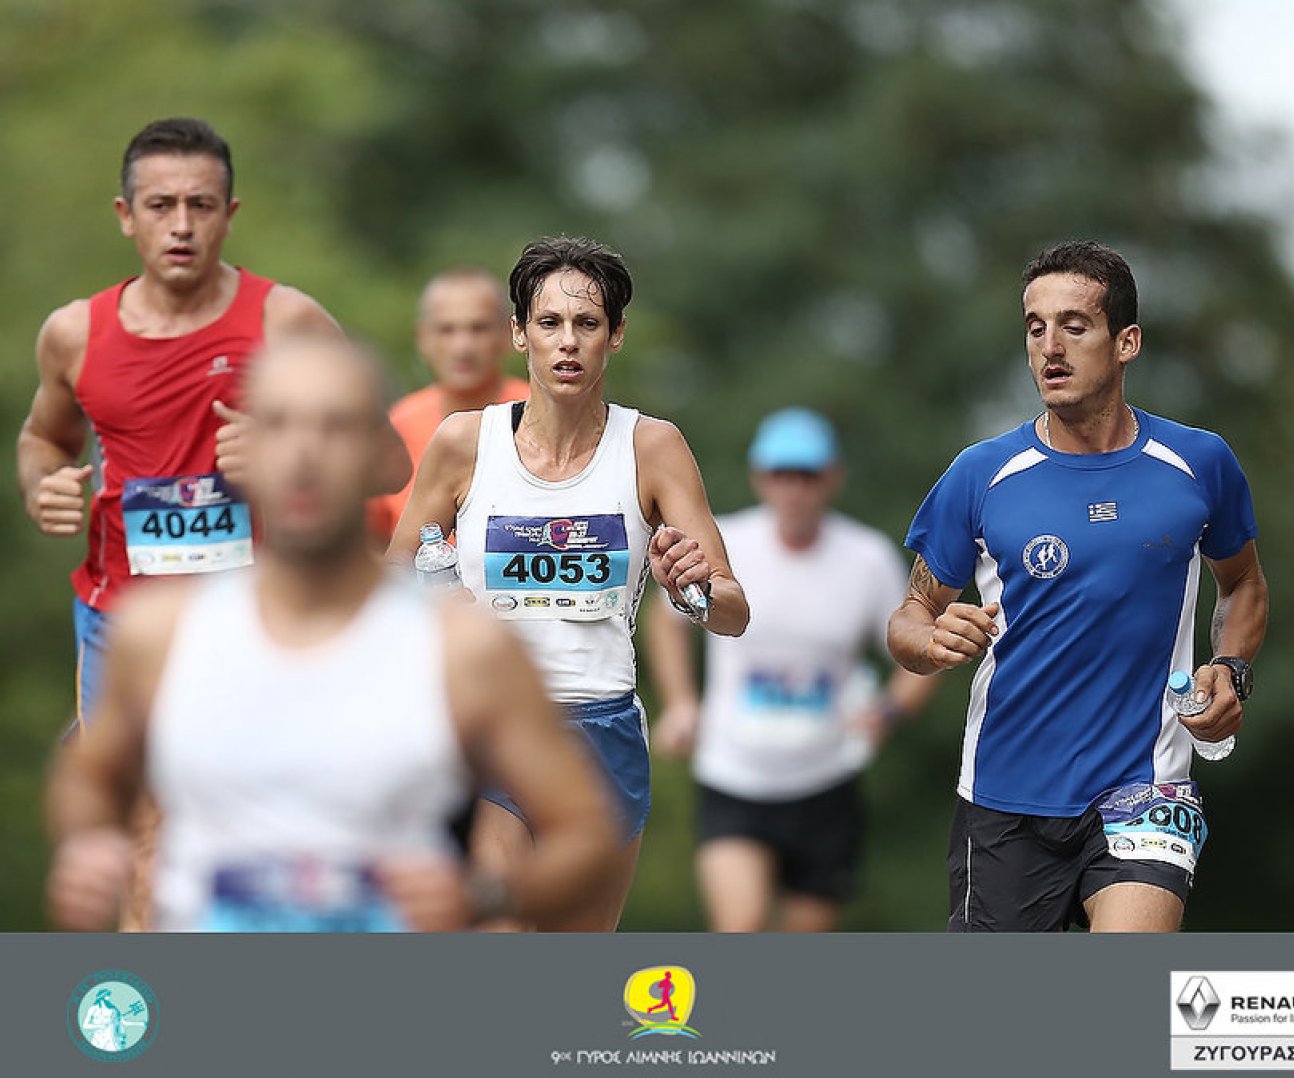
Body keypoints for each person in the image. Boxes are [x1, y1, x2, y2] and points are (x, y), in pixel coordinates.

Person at [45, 337, 619, 933]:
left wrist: (483, 896)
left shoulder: (464, 648)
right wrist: (89, 845)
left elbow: (587, 835)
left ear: (382, 455)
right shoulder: (160, 634)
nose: (304, 454)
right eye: (277, 425)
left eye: (336, 427)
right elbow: (89, 775)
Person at [887, 240, 1268, 933]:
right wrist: (931, 638)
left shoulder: (1198, 462)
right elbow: (910, 616)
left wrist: (1231, 668)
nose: (1050, 348)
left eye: (1074, 326)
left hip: (1146, 789)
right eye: (1035, 328)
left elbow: (1242, 583)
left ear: (1126, 343)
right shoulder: (981, 474)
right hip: (1005, 796)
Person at [389, 235, 749, 931]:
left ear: (615, 335)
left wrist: (692, 586)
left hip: (603, 731)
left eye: (587, 324)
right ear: (519, 333)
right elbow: (386, 582)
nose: (568, 342)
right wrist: (429, 601)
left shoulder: (652, 447)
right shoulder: (464, 442)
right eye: (549, 323)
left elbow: (733, 611)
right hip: (493, 724)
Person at [17, 116, 409, 732]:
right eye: (160, 205)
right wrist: (43, 487)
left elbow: (390, 463)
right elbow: (43, 440)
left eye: (200, 205)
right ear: (126, 215)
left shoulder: (288, 322)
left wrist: (283, 453)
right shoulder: (74, 334)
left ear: (229, 215)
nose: (181, 225)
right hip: (120, 619)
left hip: (259, 621)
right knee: (124, 795)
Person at [647, 408, 936, 931]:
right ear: (761, 477)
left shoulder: (867, 558)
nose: (795, 489)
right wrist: (681, 702)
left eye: (808, 475)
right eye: (782, 474)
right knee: (741, 926)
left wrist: (889, 711)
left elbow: (921, 648)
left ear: (832, 478)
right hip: (734, 775)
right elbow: (666, 618)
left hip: (825, 780)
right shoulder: (728, 542)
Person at [367, 268, 530, 544]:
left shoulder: (539, 416)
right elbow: (372, 542)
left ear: (509, 333)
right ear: (422, 338)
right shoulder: (397, 428)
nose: (462, 347)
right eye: (446, 330)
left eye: (478, 329)